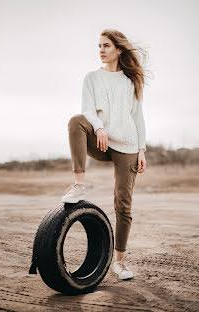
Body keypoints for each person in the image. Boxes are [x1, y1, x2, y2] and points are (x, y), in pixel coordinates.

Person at [61, 29, 148, 280]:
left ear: (119, 50)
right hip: (101, 140)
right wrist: (99, 127)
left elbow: (138, 118)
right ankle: (79, 185)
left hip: (128, 145)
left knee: (123, 202)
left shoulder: (131, 81)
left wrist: (141, 150)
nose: (101, 50)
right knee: (76, 120)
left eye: (106, 46)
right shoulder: (91, 78)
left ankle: (119, 262)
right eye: (99, 45)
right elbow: (87, 109)